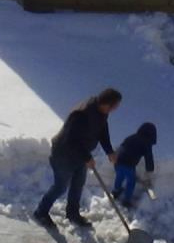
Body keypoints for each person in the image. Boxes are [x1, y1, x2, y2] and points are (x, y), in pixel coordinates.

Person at [33, 88, 122, 229]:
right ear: (107, 104)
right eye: (115, 106)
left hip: (80, 154)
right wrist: (87, 157)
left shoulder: (101, 112)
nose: (115, 110)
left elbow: (102, 131)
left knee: (78, 184)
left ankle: (72, 213)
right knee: (60, 187)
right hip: (63, 153)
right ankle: (40, 212)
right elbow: (71, 140)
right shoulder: (81, 114)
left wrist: (109, 151)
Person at [112, 122, 157, 208]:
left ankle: (116, 191)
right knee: (131, 182)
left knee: (119, 176)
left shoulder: (132, 137)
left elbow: (121, 146)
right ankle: (126, 200)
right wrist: (150, 170)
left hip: (118, 161)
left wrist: (115, 158)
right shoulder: (146, 142)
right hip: (129, 164)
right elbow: (149, 157)